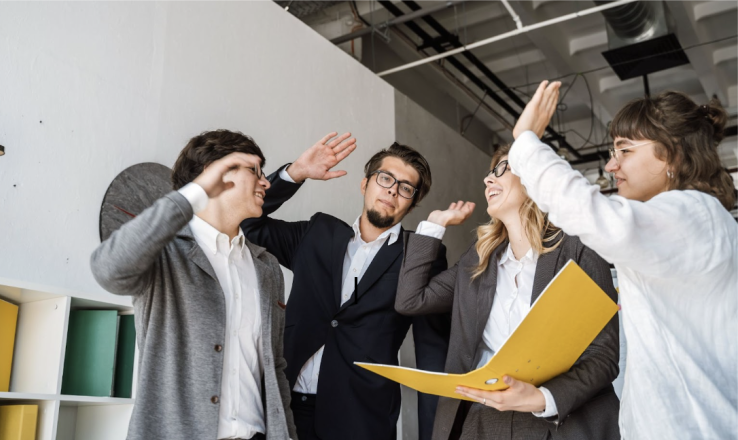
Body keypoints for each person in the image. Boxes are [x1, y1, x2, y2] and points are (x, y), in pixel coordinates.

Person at [508, 81, 737, 438]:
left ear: (673, 154)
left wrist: (525, 141)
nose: (612, 165)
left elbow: (597, 217)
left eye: (625, 150)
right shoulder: (682, 226)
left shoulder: (692, 214)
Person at [395, 142, 621, 440]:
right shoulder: (476, 262)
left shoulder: (577, 249)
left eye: (503, 169)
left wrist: (542, 399)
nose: (489, 179)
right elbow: (411, 299)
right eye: (490, 173)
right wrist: (433, 226)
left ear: (535, 178)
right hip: (484, 423)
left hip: (560, 421)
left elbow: (603, 356)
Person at [241, 134, 451, 440]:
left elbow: (432, 354)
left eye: (405, 188)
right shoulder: (317, 233)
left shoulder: (420, 257)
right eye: (385, 178)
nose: (392, 190)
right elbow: (250, 223)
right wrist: (294, 173)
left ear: (413, 202)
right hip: (282, 410)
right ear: (365, 184)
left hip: (361, 420)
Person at [91, 130, 296, 440]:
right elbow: (108, 269)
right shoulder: (164, 253)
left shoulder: (266, 268)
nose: (265, 182)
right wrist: (195, 193)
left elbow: (275, 367)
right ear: (214, 173)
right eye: (254, 171)